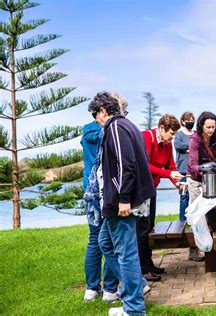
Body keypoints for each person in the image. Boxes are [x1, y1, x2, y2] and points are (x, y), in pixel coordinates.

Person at [89, 92, 156, 316]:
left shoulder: (115, 127)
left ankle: (134, 309)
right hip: (122, 200)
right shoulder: (128, 126)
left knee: (126, 253)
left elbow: (125, 164)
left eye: (95, 113)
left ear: (103, 111)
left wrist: (123, 199)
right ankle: (135, 290)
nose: (95, 119)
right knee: (104, 243)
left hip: (122, 203)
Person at [81, 93, 128, 302]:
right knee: (111, 240)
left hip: (89, 190)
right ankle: (109, 289)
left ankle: (91, 289)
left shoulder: (86, 130)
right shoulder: (110, 130)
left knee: (94, 240)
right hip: (105, 190)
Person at [139, 114, 183, 281]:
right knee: (142, 230)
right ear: (162, 128)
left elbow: (170, 165)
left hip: (152, 189)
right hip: (141, 190)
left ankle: (149, 264)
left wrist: (177, 183)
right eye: (171, 133)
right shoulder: (146, 137)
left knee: (149, 227)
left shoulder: (167, 142)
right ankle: (143, 269)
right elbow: (146, 166)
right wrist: (168, 173)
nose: (172, 137)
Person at [187, 111, 216, 261]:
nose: (211, 130)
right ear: (201, 126)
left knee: (213, 210)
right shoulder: (195, 139)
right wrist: (204, 171)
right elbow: (192, 164)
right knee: (196, 214)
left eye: (213, 127)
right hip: (196, 179)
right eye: (208, 127)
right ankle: (195, 248)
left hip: (211, 178)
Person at [174, 111, 195, 221]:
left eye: (192, 120)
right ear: (182, 121)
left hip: (195, 170)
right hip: (182, 170)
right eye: (188, 120)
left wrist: (189, 149)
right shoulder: (179, 134)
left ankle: (194, 220)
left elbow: (199, 146)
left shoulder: (195, 133)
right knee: (183, 196)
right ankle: (182, 220)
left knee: (195, 196)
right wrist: (191, 147)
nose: (190, 122)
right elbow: (178, 145)